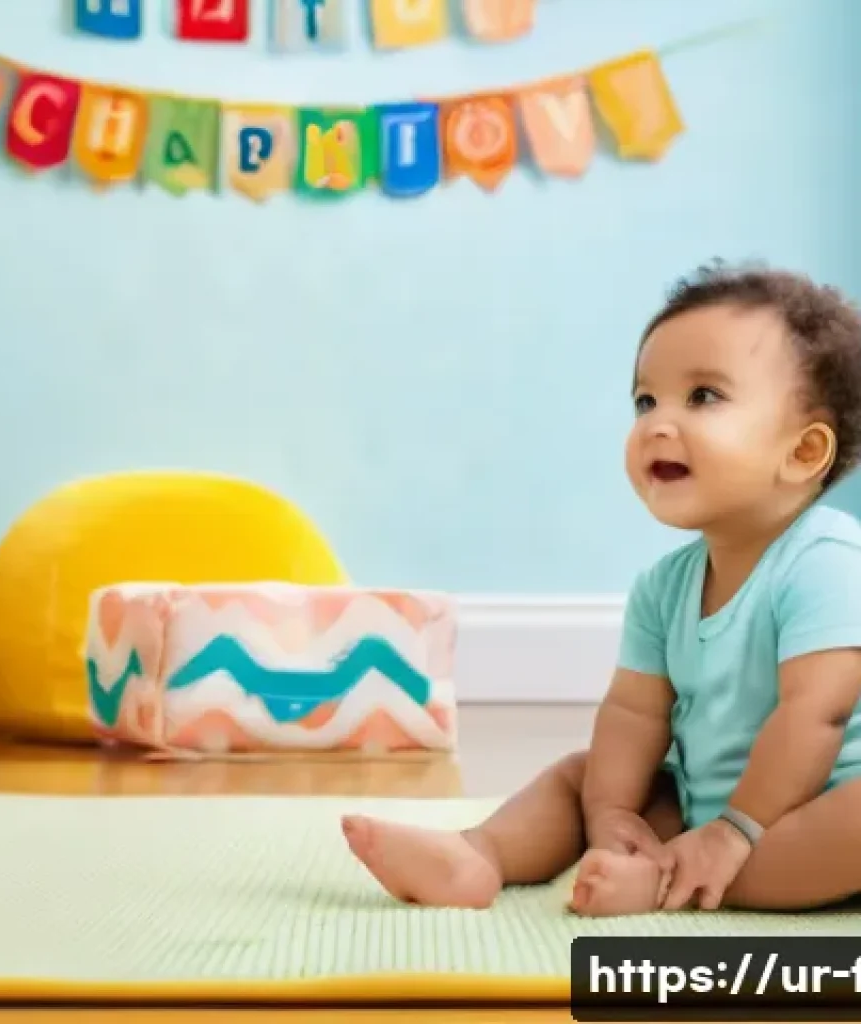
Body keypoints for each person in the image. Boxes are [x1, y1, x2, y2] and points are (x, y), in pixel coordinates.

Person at [342, 262, 861, 916]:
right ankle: (480, 854)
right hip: (705, 806)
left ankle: (671, 884)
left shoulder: (827, 561)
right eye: (646, 400)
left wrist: (736, 831)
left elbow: (817, 715)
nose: (657, 423)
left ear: (804, 453)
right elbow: (633, 714)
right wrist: (612, 813)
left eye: (703, 396)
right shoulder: (663, 587)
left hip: (813, 806)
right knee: (581, 774)